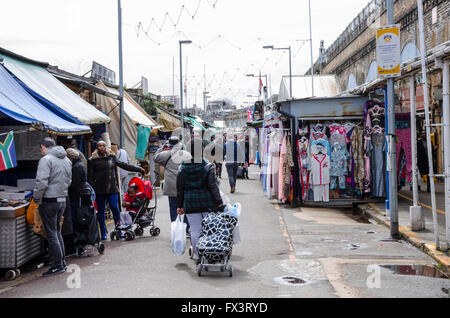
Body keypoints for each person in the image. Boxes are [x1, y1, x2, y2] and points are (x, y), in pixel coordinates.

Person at [177, 140, 224, 262]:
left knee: (195, 230)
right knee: (208, 229)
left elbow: (180, 190)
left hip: (190, 204)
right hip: (208, 203)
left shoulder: (182, 168)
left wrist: (180, 206)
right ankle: (208, 254)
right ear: (201, 151)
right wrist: (219, 202)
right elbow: (213, 187)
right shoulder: (208, 166)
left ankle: (198, 256)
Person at [88, 140, 145, 240]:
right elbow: (90, 177)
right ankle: (103, 231)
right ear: (96, 147)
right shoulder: (92, 160)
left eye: (103, 146)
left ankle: (118, 229)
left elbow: (124, 165)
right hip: (99, 190)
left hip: (112, 188)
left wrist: (138, 169)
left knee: (115, 208)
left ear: (106, 147)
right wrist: (91, 189)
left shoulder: (112, 157)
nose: (101, 147)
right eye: (99, 146)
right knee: (100, 211)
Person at [33, 138, 72, 276]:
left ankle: (58, 264)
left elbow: (41, 182)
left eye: (40, 149)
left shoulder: (46, 160)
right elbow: (69, 181)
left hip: (49, 200)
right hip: (62, 199)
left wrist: (37, 198)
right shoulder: (67, 160)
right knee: (57, 232)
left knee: (51, 233)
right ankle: (62, 262)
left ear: (43, 147)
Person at [154, 136, 191, 230]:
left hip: (171, 185)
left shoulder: (165, 154)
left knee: (173, 207)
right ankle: (186, 228)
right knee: (186, 206)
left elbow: (155, 157)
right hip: (184, 184)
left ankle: (176, 228)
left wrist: (162, 147)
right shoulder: (186, 154)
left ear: (169, 144)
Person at [65, 148, 87, 256]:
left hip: (75, 197)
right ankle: (77, 245)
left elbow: (73, 183)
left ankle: (75, 245)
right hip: (76, 196)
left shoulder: (77, 167)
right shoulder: (79, 164)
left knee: (74, 220)